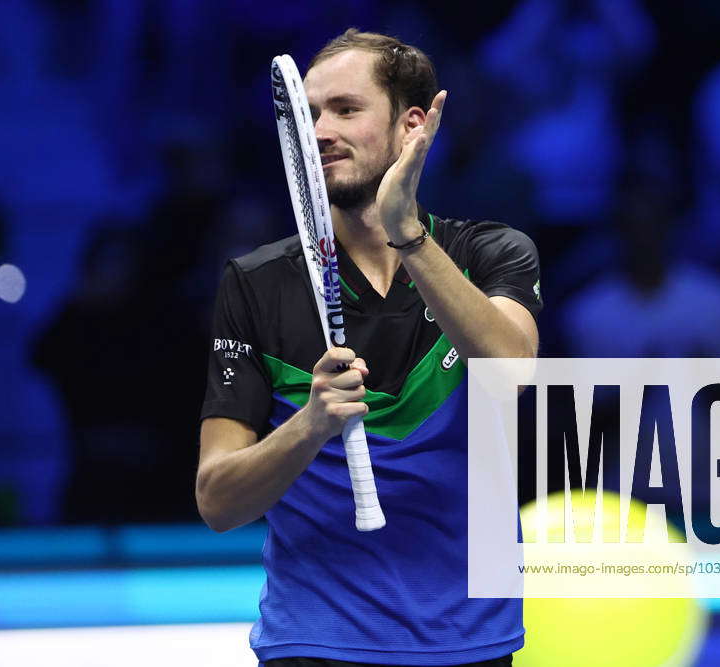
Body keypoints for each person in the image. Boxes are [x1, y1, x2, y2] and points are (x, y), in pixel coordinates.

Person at [197, 29, 541, 666]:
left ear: (412, 127)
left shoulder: (492, 252)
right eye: (311, 112)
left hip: (473, 642)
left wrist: (407, 233)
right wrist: (311, 424)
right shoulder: (257, 285)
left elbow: (513, 373)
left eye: (346, 110)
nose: (320, 129)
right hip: (317, 643)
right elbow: (218, 500)